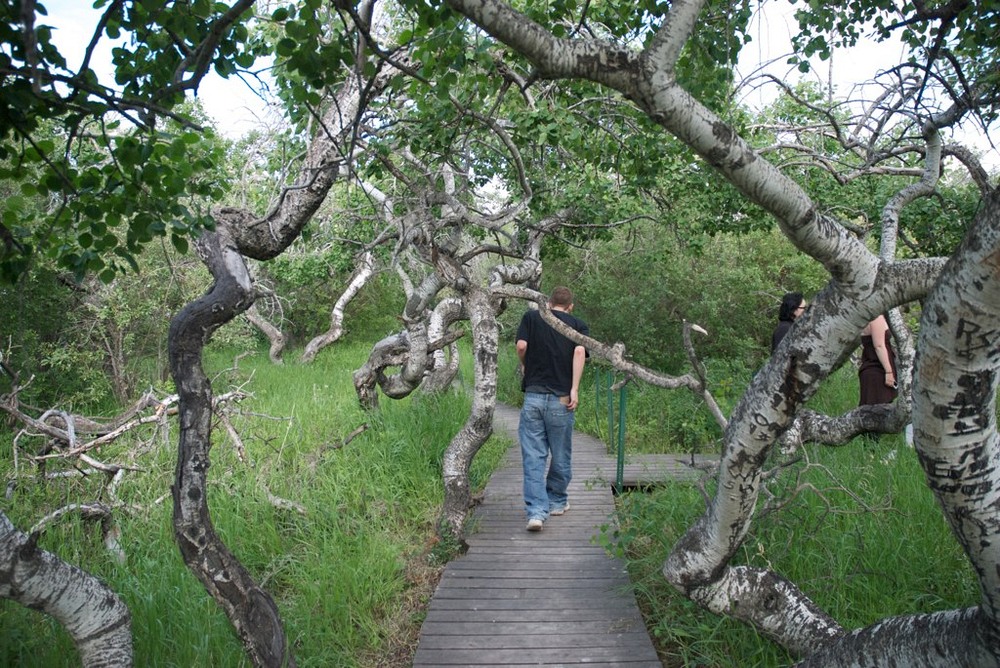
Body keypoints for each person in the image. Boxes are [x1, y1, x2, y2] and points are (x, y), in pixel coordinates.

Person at [516, 286, 589, 532]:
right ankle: (557, 502)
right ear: (570, 306)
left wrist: (526, 366)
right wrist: (574, 389)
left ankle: (536, 512)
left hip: (534, 397)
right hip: (561, 399)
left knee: (534, 455)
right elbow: (580, 350)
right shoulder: (577, 324)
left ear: (548, 303)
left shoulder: (532, 317)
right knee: (560, 453)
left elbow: (522, 347)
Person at [859, 314, 897, 405]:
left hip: (874, 370)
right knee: (877, 410)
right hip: (877, 371)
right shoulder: (876, 318)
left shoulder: (868, 317)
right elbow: (879, 346)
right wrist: (889, 372)